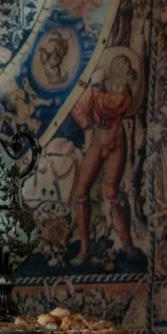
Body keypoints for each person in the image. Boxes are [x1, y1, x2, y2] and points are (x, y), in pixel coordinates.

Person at [68, 54, 138, 266]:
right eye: (116, 66)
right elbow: (78, 108)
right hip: (98, 139)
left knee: (111, 194)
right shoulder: (100, 87)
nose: (117, 70)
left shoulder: (124, 94)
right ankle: (84, 247)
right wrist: (88, 126)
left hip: (115, 141)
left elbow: (110, 106)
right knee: (81, 191)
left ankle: (127, 244)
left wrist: (95, 88)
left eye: (121, 67)